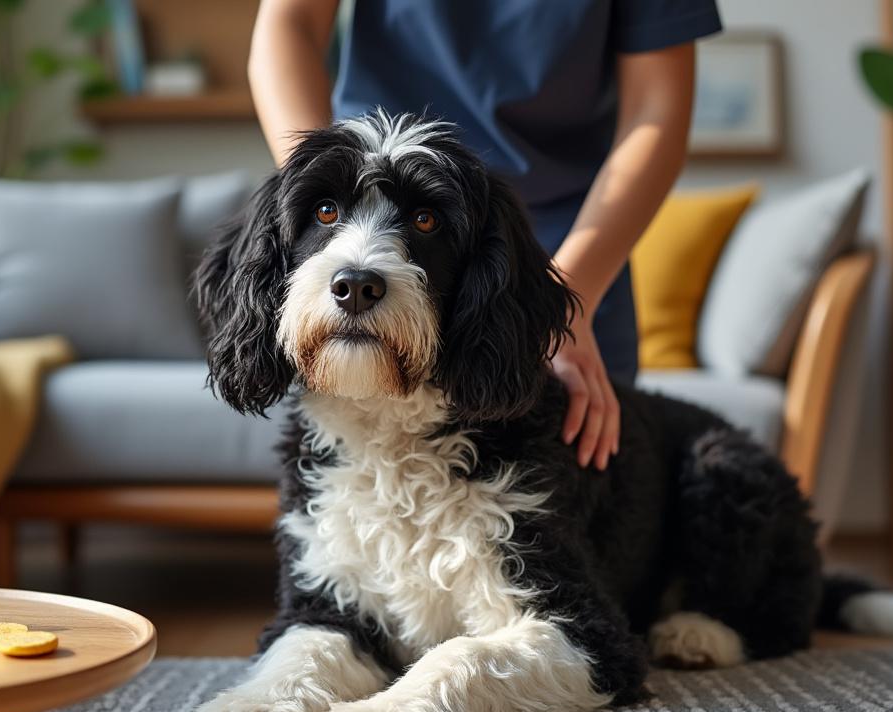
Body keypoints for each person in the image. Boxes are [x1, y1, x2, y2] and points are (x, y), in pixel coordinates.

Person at [248, 0, 721, 470]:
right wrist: (325, 188)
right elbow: (290, 22)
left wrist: (563, 304)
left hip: (566, 263)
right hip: (364, 185)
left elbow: (657, 112)